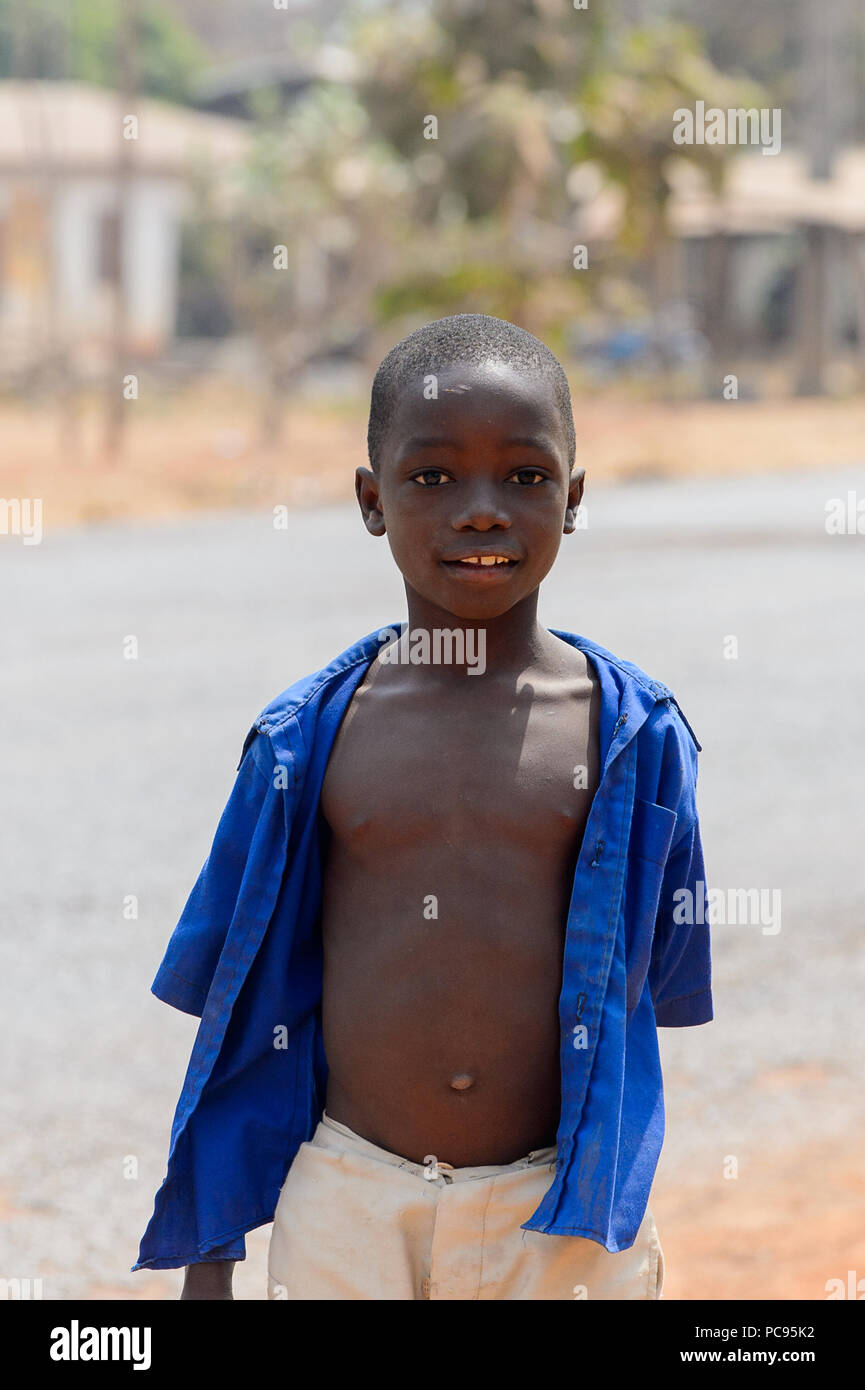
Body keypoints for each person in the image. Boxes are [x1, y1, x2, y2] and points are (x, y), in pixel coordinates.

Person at [132, 314, 712, 1301]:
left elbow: (652, 975)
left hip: (559, 1212)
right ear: (371, 500)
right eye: (432, 477)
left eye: (524, 478)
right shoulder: (305, 741)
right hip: (350, 1204)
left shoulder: (631, 738)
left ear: (572, 500)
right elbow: (241, 1002)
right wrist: (209, 1249)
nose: (480, 512)